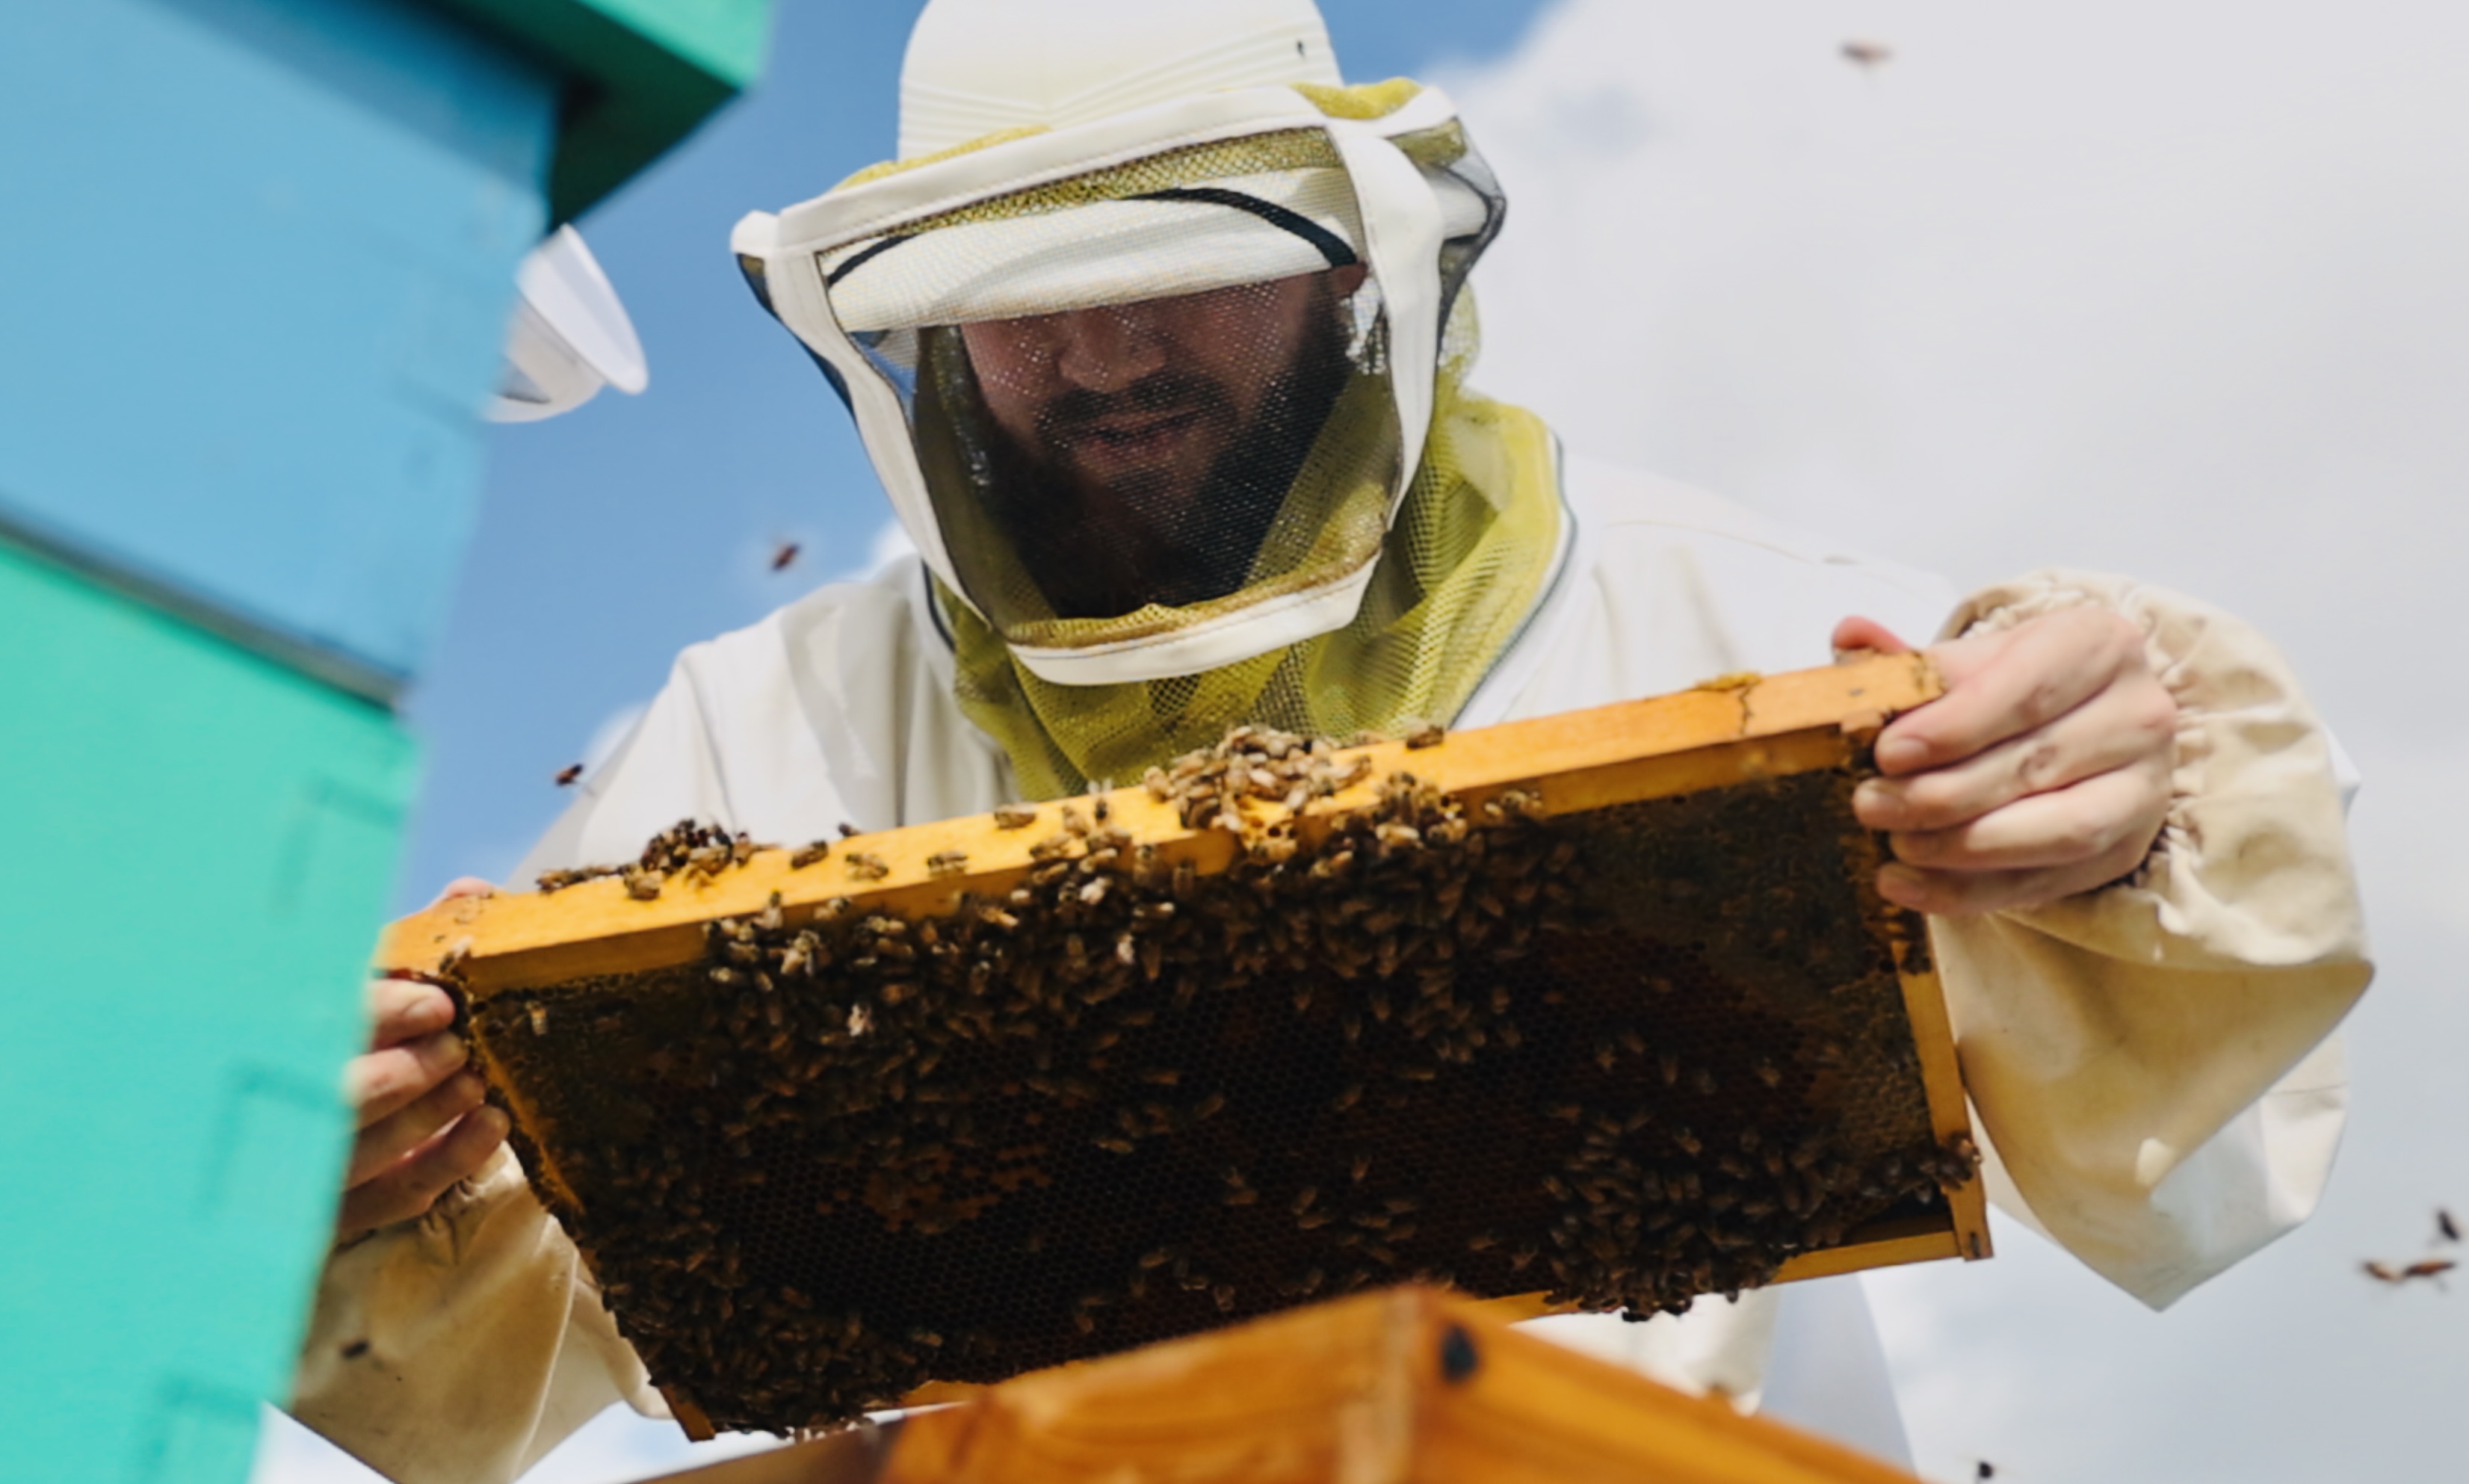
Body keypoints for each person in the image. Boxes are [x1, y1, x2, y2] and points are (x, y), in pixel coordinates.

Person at [293, 2, 2370, 1480]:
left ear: (1368, 276)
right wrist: (363, 1171)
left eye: (1172, 268)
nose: (1096, 350)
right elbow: (491, 1338)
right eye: (1022, 294)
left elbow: (2184, 1095)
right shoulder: (758, 736)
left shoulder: (1712, 612)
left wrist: (2120, 783)